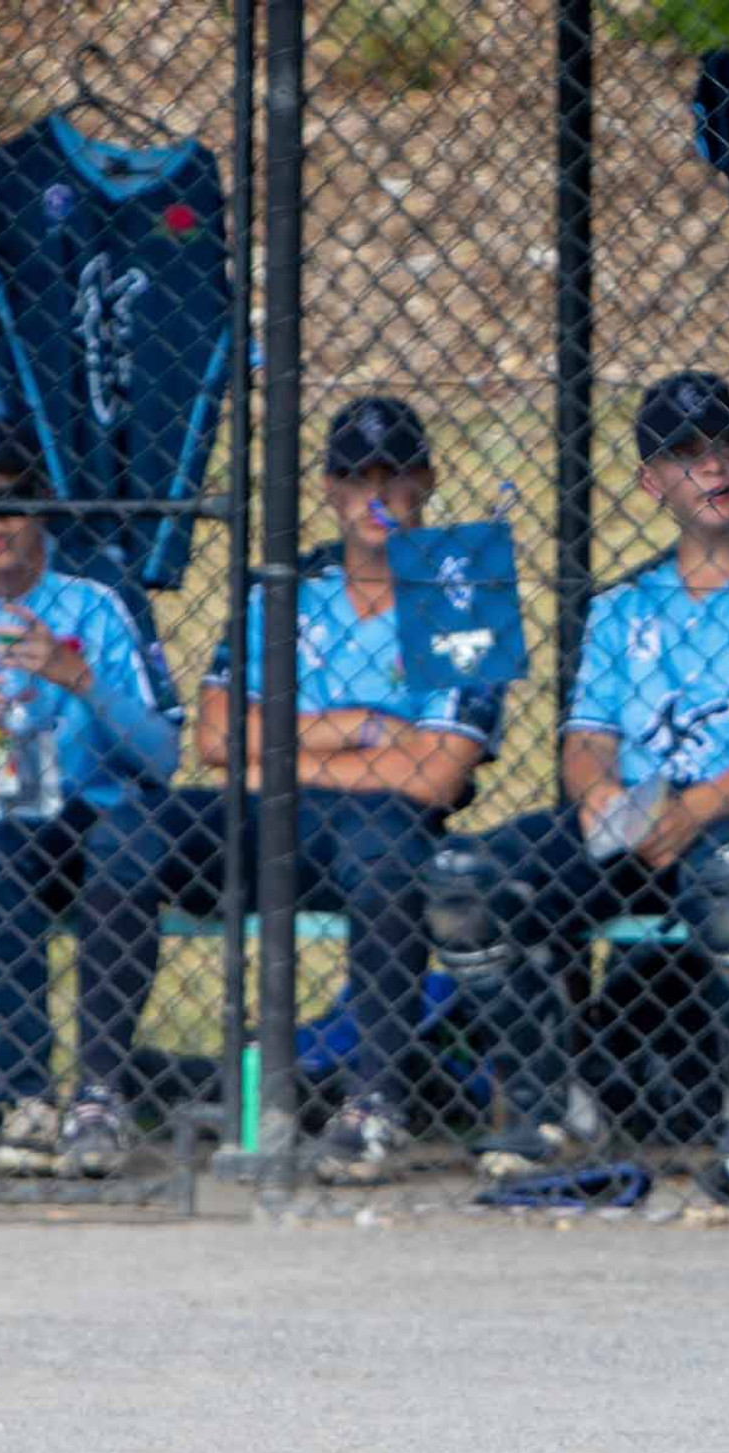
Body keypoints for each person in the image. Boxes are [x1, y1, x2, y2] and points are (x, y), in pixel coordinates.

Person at [425, 372, 729, 1175]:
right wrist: (604, 798)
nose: (711, 470)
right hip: (633, 823)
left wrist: (697, 808)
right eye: (685, 456)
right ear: (652, 481)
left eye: (724, 449)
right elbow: (585, 738)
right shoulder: (621, 604)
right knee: (463, 884)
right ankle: (555, 1112)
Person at [105, 397, 508, 1185]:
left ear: (425, 481)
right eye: (357, 477)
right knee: (131, 832)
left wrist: (276, 748)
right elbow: (218, 739)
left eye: (395, 476)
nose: (376, 497)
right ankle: (95, 1092)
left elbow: (436, 775)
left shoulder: (462, 589)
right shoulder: (283, 584)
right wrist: (361, 726)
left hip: (377, 822)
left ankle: (374, 1105)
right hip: (265, 818)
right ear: (327, 486)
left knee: (389, 860)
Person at [0, 417, 182, 1177]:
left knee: (129, 848)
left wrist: (79, 679)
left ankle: (97, 1095)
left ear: (43, 504)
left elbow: (164, 757)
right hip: (2, 809)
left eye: (13, 498)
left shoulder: (100, 593)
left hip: (101, 805)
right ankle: (25, 1096)